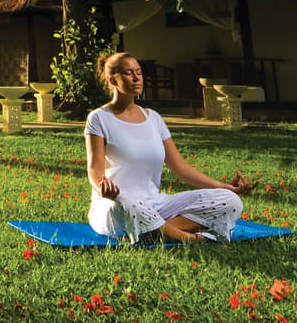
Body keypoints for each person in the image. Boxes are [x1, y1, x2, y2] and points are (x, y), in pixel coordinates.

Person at [84, 51, 255, 243]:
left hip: (155, 204)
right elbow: (94, 170)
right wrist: (103, 189)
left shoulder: (153, 118)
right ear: (112, 80)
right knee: (128, 205)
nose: (136, 78)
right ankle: (191, 239)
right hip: (116, 205)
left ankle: (156, 232)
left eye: (139, 73)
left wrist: (225, 187)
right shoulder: (99, 118)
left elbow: (180, 168)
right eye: (128, 73)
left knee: (230, 201)